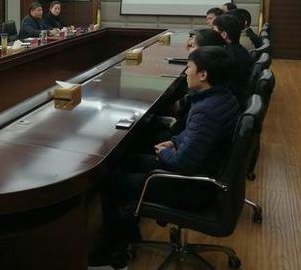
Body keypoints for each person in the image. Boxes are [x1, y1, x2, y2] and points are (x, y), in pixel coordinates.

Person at [91, 46, 240, 268]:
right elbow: (196, 137)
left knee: (111, 180)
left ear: (203, 74)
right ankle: (129, 232)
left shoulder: (205, 110)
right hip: (206, 172)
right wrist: (174, 142)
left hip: (191, 187)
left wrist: (166, 152)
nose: (185, 72)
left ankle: (113, 252)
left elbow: (182, 164)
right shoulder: (223, 97)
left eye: (189, 67)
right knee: (126, 160)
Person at [212, 14, 253, 103]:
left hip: (229, 101)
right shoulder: (241, 50)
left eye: (213, 31)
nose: (211, 34)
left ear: (223, 34)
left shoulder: (225, 57)